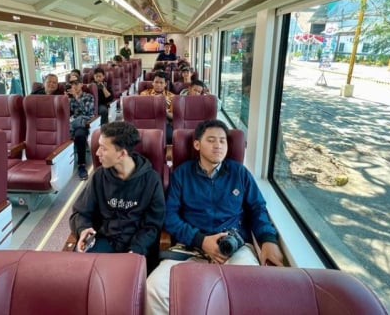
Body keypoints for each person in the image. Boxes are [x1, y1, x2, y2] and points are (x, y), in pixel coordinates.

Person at [146, 120, 284, 314]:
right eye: (211, 140)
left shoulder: (240, 173)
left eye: (222, 141)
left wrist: (268, 240)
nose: (218, 145)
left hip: (234, 249)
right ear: (197, 144)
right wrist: (201, 240)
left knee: (254, 291)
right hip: (190, 247)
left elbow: (257, 209)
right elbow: (170, 217)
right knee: (153, 289)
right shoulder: (181, 174)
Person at [69, 121, 164, 263]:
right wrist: (83, 228)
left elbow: (152, 225)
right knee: (79, 272)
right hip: (104, 240)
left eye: (103, 148)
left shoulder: (151, 180)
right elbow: (80, 212)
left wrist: (136, 249)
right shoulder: (99, 176)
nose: (97, 153)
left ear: (122, 154)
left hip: (137, 246)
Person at [67, 79, 94, 180]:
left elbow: (87, 112)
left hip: (84, 122)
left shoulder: (89, 96)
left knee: (80, 136)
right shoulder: (70, 98)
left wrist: (77, 98)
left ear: (81, 85)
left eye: (76, 84)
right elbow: (67, 114)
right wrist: (65, 102)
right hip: (71, 121)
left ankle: (81, 164)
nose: (74, 87)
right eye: (72, 85)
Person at [139, 71, 174, 144]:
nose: (158, 85)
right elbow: (141, 111)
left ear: (165, 84)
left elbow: (173, 117)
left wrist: (165, 111)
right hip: (146, 121)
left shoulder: (172, 97)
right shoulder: (144, 93)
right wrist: (157, 100)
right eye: (156, 82)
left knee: (170, 136)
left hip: (164, 122)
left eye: (161, 83)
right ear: (152, 83)